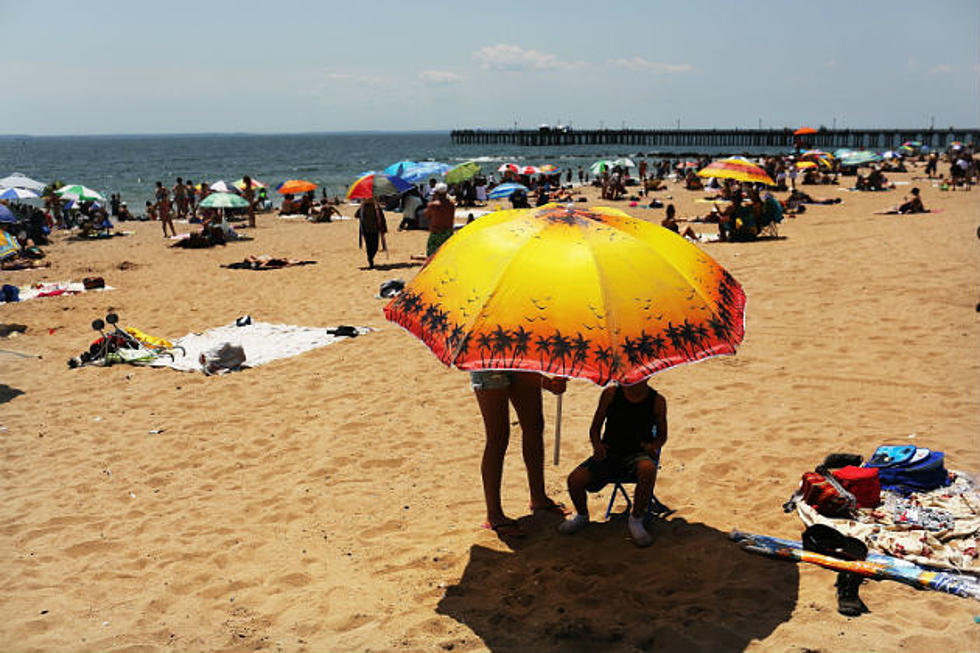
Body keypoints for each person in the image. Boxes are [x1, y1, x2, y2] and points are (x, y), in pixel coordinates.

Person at [558, 380, 667, 547]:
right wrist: (597, 445)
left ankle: (636, 519)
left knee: (648, 469)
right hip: (609, 453)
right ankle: (582, 515)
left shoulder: (657, 400)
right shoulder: (610, 394)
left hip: (636, 454)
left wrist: (653, 446)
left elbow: (662, 435)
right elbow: (595, 427)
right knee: (574, 480)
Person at [472, 370, 568, 536]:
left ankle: (538, 497)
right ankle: (494, 515)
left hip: (519, 358)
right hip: (489, 363)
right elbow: (509, 362)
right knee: (498, 438)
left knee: (534, 426)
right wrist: (547, 384)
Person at [423, 182, 455, 256]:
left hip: (436, 233)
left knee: (432, 255)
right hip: (448, 232)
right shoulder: (451, 204)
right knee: (446, 255)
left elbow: (425, 215)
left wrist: (432, 200)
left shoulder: (433, 205)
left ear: (436, 193)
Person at [356, 197, 386, 268]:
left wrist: (384, 228)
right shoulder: (363, 208)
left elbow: (382, 218)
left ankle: (370, 258)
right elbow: (356, 215)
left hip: (373, 229)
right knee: (371, 246)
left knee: (372, 246)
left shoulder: (376, 208)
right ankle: (370, 259)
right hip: (368, 230)